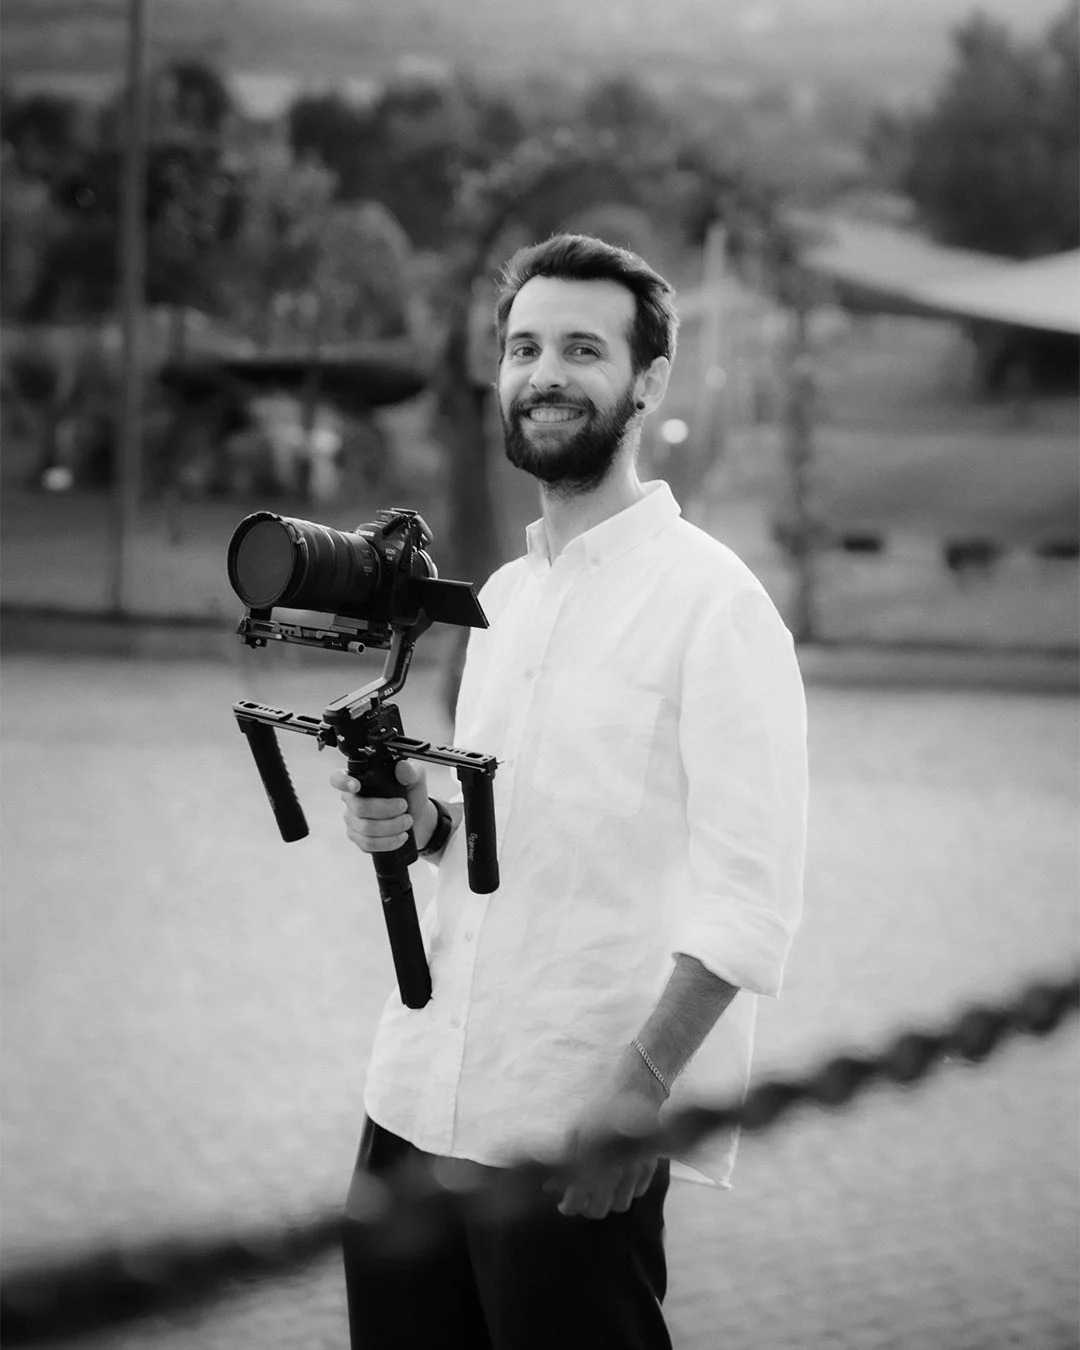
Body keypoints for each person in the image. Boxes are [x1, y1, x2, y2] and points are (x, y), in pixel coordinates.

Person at [333, 233, 808, 1350]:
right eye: (524, 347)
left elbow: (751, 899)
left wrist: (639, 1091)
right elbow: (510, 830)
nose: (545, 374)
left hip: (570, 1128)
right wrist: (420, 817)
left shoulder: (717, 608)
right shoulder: (500, 601)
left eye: (583, 349)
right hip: (411, 1098)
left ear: (646, 382)